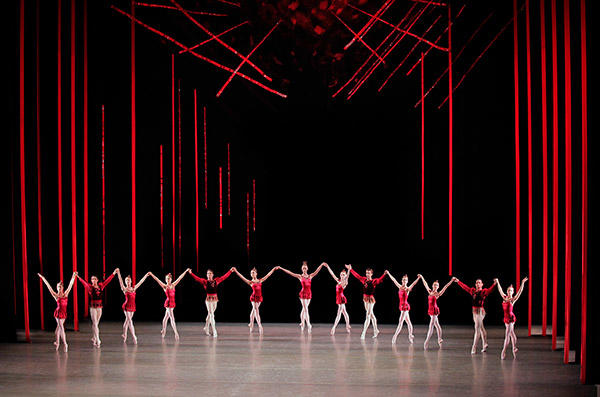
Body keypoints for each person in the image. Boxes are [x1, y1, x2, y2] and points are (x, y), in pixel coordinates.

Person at [279, 261, 326, 333]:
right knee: (306, 309)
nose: (304, 269)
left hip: (309, 294)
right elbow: (290, 272)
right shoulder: (300, 276)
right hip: (303, 294)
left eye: (305, 268)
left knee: (304, 309)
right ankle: (308, 324)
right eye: (303, 268)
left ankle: (302, 322)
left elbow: (317, 271)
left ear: (307, 268)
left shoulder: (310, 276)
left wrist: (321, 265)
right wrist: (281, 268)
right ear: (302, 269)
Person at [76, 268, 118, 347]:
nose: (93, 280)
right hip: (93, 307)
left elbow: (107, 281)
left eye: (95, 279)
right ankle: (98, 339)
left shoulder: (101, 286)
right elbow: (83, 283)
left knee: (96, 324)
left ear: (97, 280)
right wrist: (78, 276)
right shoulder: (90, 287)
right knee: (95, 323)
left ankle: (94, 338)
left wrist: (113, 273)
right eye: (92, 279)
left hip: (99, 307)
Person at [189, 267, 236, 337]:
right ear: (206, 275)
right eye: (208, 273)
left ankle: (206, 327)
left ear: (213, 274)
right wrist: (191, 273)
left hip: (215, 299)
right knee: (211, 315)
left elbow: (224, 277)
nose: (209, 275)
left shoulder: (216, 281)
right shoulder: (205, 281)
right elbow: (197, 278)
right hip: (208, 300)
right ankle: (214, 331)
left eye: (210, 273)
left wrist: (230, 271)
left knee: (210, 314)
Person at [455, 277, 497, 354]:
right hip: (474, 312)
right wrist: (458, 281)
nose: (477, 284)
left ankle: (474, 347)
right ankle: (485, 344)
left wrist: (494, 284)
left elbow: (489, 290)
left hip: (480, 311)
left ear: (482, 284)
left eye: (479, 283)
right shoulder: (473, 291)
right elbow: (465, 288)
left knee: (477, 329)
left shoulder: (483, 292)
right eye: (476, 282)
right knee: (481, 328)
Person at [232, 266, 279, 334]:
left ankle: (251, 324)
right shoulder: (250, 282)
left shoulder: (260, 280)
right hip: (253, 298)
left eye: (253, 273)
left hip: (259, 298)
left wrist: (273, 269)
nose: (252, 274)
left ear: (256, 273)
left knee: (253, 312)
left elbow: (268, 275)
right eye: (251, 273)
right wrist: (236, 271)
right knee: (256, 310)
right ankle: (260, 325)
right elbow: (242, 277)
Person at [37, 272, 77, 351]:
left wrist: (73, 276)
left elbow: (70, 285)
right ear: (57, 288)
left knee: (57, 331)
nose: (59, 288)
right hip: (58, 314)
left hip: (63, 313)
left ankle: (59, 343)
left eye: (60, 286)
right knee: (61, 328)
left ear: (62, 287)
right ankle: (64, 344)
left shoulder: (65, 294)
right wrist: (43, 278)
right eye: (58, 287)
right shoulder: (55, 295)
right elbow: (48, 286)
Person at [346, 264, 387, 339]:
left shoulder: (373, 281)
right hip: (365, 298)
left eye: (369, 273)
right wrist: (351, 269)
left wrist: (384, 274)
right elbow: (357, 276)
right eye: (366, 273)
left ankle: (363, 333)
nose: (367, 274)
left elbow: (380, 280)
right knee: (371, 315)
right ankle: (376, 330)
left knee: (368, 315)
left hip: (371, 299)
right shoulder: (364, 279)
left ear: (371, 274)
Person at [148, 269, 190, 341]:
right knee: (172, 318)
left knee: (165, 318)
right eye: (166, 278)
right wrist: (151, 274)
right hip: (168, 304)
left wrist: (185, 271)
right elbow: (157, 280)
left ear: (171, 279)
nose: (167, 280)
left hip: (172, 303)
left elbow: (180, 278)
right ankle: (176, 333)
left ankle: (163, 331)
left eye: (168, 278)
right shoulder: (165, 286)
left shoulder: (173, 285)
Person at [418, 275, 455, 349]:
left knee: (431, 326)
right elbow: (425, 284)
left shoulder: (438, 294)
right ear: (432, 285)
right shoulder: (430, 291)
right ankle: (439, 339)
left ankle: (426, 342)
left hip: (434, 311)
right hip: (430, 311)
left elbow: (445, 286)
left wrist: (451, 281)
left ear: (438, 287)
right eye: (434, 285)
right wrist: (422, 277)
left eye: (437, 285)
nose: (435, 286)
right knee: (437, 325)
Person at [495, 277, 528, 359]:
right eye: (509, 290)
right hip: (506, 318)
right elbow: (500, 290)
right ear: (507, 291)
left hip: (510, 319)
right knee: (512, 334)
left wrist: (522, 283)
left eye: (511, 291)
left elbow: (520, 292)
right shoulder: (504, 297)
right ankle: (514, 347)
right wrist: (498, 282)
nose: (510, 292)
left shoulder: (512, 300)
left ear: (513, 292)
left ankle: (503, 351)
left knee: (507, 335)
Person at [116, 269, 150, 344]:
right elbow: (120, 281)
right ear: (125, 282)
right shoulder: (124, 289)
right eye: (126, 281)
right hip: (126, 306)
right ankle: (134, 336)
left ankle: (124, 334)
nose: (127, 282)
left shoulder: (134, 288)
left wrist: (146, 276)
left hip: (132, 306)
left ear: (131, 281)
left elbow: (141, 282)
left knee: (127, 321)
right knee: (130, 321)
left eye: (129, 280)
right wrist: (118, 273)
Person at [387, 272, 420, 344]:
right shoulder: (400, 287)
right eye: (403, 280)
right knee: (408, 322)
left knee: (400, 322)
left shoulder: (408, 289)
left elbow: (414, 284)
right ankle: (410, 335)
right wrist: (389, 273)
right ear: (402, 280)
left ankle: (395, 337)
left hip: (405, 306)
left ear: (407, 281)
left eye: (405, 280)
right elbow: (394, 280)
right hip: (401, 306)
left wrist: (418, 278)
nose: (404, 281)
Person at [323, 263, 351, 335]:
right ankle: (348, 325)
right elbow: (332, 274)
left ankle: (334, 328)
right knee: (344, 312)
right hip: (338, 298)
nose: (342, 276)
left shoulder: (345, 282)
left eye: (343, 275)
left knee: (339, 314)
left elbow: (347, 276)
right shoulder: (338, 281)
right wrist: (328, 267)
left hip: (341, 299)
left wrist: (349, 270)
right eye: (341, 274)